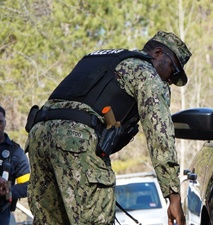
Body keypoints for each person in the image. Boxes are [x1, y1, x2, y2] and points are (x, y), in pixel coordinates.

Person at [26, 31, 191, 225]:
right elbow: (160, 135)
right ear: (157, 53)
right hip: (76, 140)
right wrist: (173, 196)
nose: (171, 80)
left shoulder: (101, 58)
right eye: (174, 70)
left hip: (38, 134)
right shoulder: (146, 73)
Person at [0, 106, 30, 225]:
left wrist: (8, 190)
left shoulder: (15, 152)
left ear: (5, 123)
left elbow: (28, 185)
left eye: (0, 122)